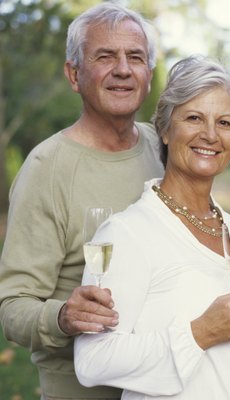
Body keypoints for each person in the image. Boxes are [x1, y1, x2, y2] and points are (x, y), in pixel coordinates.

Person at [74, 55, 230, 399]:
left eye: (224, 123)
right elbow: (93, 360)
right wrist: (200, 333)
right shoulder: (127, 233)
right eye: (194, 118)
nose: (210, 134)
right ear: (165, 129)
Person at [0, 3, 162, 398]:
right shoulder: (47, 169)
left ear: (148, 74)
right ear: (74, 74)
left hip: (164, 384)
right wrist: (63, 316)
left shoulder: (163, 147)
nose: (123, 69)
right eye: (105, 57)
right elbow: (12, 307)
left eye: (135, 57)